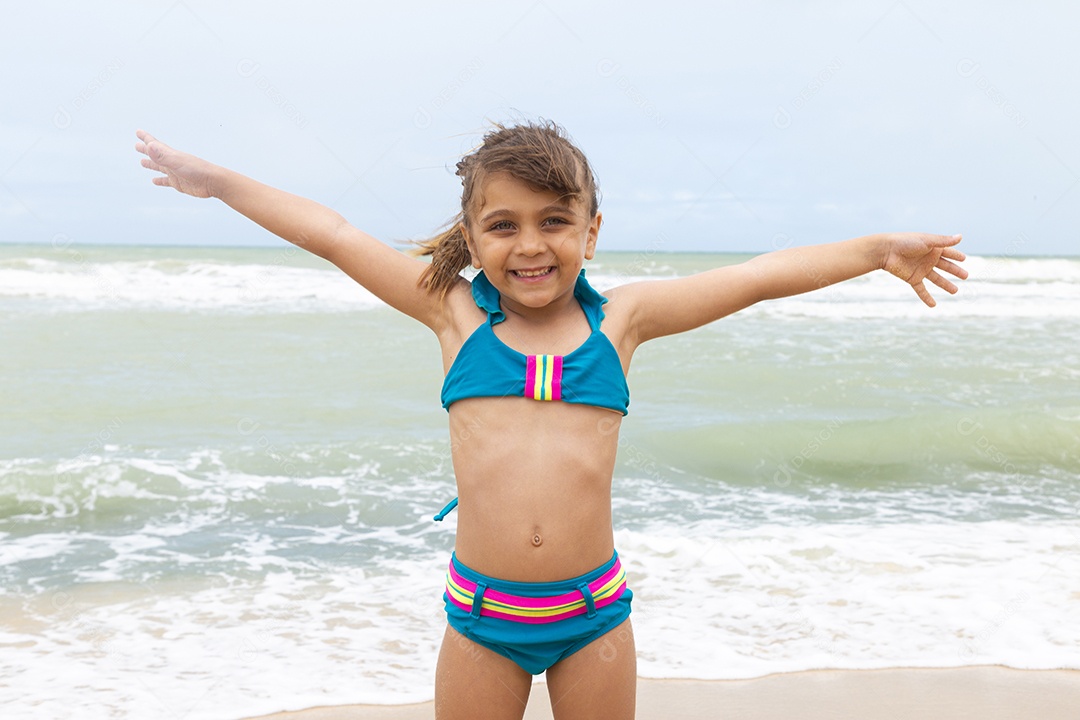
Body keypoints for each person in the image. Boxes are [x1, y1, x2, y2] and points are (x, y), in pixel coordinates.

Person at [135, 122, 967, 720]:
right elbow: (333, 233)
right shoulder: (455, 316)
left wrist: (873, 252)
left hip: (592, 616)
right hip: (481, 619)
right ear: (472, 240)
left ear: (590, 232)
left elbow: (756, 277)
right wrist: (219, 183)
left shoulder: (623, 323)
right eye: (503, 226)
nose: (530, 245)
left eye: (554, 222)